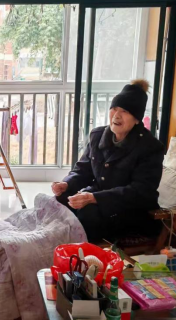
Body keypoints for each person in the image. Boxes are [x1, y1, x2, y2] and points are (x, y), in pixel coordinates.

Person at [53, 79, 165, 242]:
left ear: (137, 119)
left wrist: (94, 198)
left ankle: (86, 253)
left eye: (125, 111)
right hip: (99, 199)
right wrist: (66, 184)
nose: (117, 115)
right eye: (114, 108)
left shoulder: (150, 147)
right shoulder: (97, 135)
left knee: (87, 213)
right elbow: (83, 170)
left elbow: (141, 191)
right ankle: (55, 243)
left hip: (131, 211)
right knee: (62, 199)